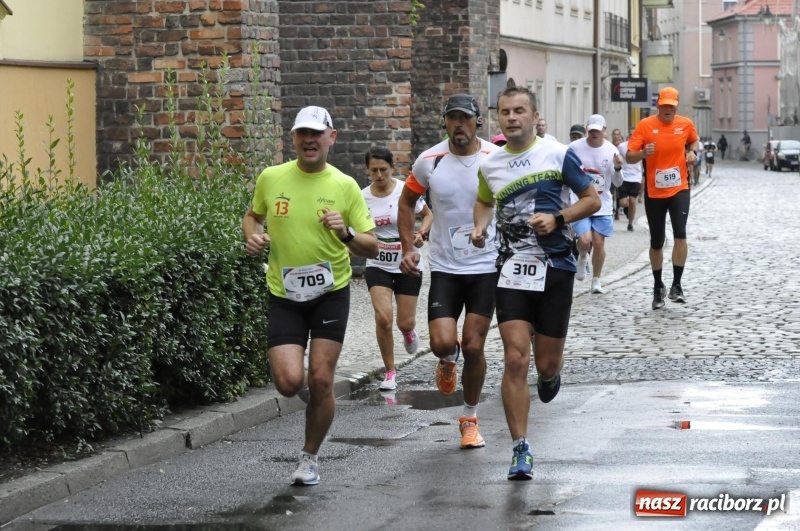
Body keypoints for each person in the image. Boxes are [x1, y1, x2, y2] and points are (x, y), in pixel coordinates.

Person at [242, 105, 379, 486]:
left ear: (331, 138)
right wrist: (251, 234)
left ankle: (309, 457)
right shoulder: (272, 178)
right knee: (288, 383)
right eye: (302, 133)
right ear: (293, 139)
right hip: (284, 293)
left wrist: (346, 234)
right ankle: (315, 396)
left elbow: (372, 246)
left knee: (321, 379)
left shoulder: (345, 186)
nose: (309, 140)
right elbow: (252, 215)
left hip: (329, 293)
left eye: (316, 134)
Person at [470, 85, 600, 480]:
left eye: (519, 111)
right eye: (505, 111)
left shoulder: (558, 154)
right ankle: (520, 449)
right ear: (498, 118)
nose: (511, 118)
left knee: (544, 362)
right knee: (514, 358)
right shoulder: (489, 165)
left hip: (557, 268)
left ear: (533, 115)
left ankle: (550, 374)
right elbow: (484, 201)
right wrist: (480, 227)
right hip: (511, 269)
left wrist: (559, 219)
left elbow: (591, 199)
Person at [398, 93, 502, 450]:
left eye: (465, 118)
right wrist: (408, 248)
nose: (459, 125)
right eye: (452, 119)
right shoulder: (429, 161)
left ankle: (470, 418)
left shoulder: (494, 158)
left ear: (477, 121)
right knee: (444, 342)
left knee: (474, 345)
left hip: (486, 265)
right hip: (445, 266)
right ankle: (446, 360)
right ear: (445, 122)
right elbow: (407, 201)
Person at [362, 146, 433, 391]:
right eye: (374, 171)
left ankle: (409, 332)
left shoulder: (405, 190)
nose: (379, 175)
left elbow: (428, 215)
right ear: (367, 171)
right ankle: (390, 372)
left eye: (384, 169)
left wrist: (421, 233)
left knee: (404, 322)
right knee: (383, 319)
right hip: (377, 263)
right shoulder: (362, 197)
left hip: (407, 262)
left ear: (393, 168)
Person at [626, 87, 699, 310]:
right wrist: (642, 154)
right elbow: (629, 157)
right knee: (656, 242)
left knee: (680, 234)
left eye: (672, 105)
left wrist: (692, 152)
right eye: (664, 105)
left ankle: (677, 284)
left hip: (679, 189)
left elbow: (693, 141)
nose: (668, 109)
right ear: (658, 105)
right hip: (654, 192)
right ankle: (658, 286)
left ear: (676, 105)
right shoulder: (646, 125)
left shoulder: (685, 124)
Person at [570, 114, 624, 294]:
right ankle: (583, 257)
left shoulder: (611, 150)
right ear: (587, 130)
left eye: (597, 131)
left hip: (603, 203)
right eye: (591, 131)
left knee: (599, 242)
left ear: (604, 131)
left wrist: (617, 168)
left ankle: (596, 280)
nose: (594, 134)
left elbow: (617, 183)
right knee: (585, 240)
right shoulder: (574, 148)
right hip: (580, 201)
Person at [615, 129, 644, 231]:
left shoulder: (641, 146)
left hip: (636, 176)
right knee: (623, 203)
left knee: (632, 201)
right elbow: (616, 157)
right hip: (624, 175)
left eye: (634, 134)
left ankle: (630, 223)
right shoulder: (622, 146)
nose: (632, 136)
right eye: (631, 134)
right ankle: (628, 210)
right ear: (628, 136)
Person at [610, 128, 625, 220]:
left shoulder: (623, 146)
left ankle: (619, 209)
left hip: (621, 171)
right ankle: (613, 209)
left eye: (617, 134)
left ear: (620, 136)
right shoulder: (609, 146)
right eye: (614, 134)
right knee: (611, 192)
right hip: (612, 171)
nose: (616, 136)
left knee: (619, 193)